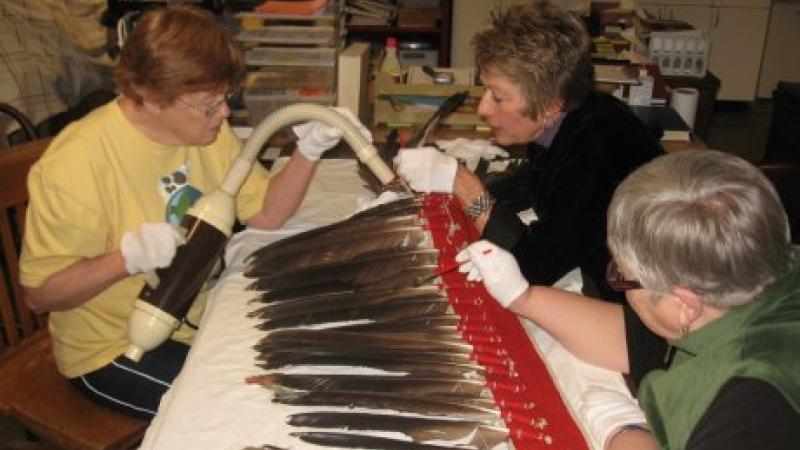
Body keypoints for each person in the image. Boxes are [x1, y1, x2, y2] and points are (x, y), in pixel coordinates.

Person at [19, 5, 370, 419]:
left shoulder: (206, 134)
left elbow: (265, 214)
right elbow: (40, 295)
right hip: (111, 349)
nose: (224, 114)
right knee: (252, 410)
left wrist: (308, 153)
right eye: (209, 104)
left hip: (197, 317)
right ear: (150, 99)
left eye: (225, 97)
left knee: (313, 363)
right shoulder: (75, 164)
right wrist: (124, 260)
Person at [457, 150, 800, 450]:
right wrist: (523, 296)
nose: (618, 281)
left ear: (685, 304)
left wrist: (624, 432)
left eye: (622, 276)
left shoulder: (755, 406)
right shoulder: (759, 278)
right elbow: (634, 340)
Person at [394, 1, 663, 303]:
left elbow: (532, 267)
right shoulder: (566, 119)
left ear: (549, 106)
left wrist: (462, 185)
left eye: (498, 97)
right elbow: (538, 183)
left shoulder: (598, 147)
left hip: (647, 306)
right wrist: (448, 189)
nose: (483, 108)